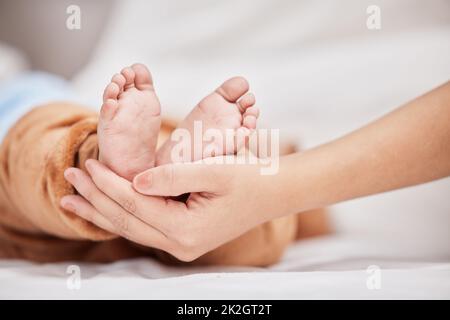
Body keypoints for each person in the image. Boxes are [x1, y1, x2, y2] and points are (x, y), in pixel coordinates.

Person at [62, 80, 450, 262]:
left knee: (53, 165)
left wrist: (271, 189)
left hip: (281, 182)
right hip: (284, 185)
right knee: (271, 224)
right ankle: (159, 170)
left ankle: (126, 164)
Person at [0, 64, 327, 265]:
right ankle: (190, 182)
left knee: (33, 163)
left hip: (42, 127)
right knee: (255, 220)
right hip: (132, 161)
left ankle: (98, 161)